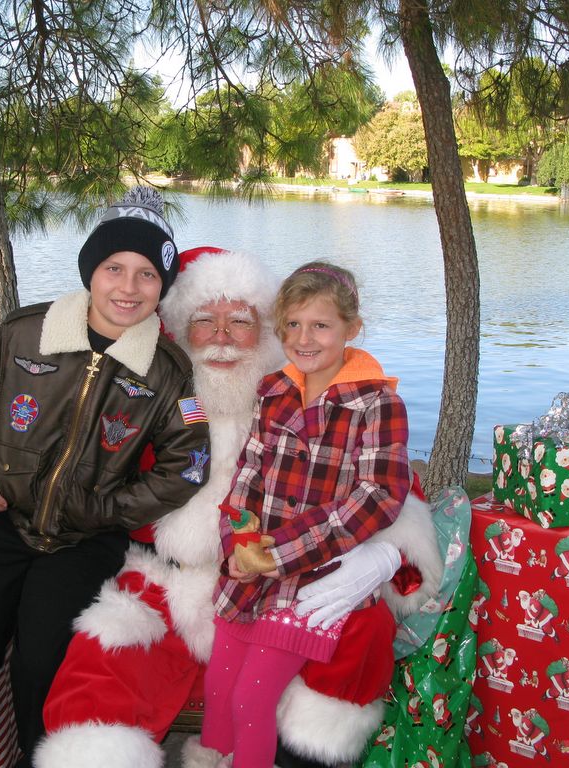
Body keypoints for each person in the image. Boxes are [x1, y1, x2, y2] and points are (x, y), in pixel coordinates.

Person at [34, 249, 442, 768]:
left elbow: (390, 491)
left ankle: (303, 754)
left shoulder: (303, 394)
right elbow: (64, 452)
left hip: (294, 573)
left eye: (240, 323)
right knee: (101, 662)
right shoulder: (147, 400)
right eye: (205, 321)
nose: (222, 337)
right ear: (180, 331)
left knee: (358, 635)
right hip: (172, 579)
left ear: (266, 334)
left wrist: (384, 558)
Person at [0, 187, 211, 768]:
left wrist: (110, 511)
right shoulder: (26, 332)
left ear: (163, 286)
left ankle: (35, 759)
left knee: (42, 658)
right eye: (114, 269)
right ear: (90, 271)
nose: (128, 287)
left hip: (83, 540)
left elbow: (187, 465)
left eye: (147, 274)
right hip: (3, 520)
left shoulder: (168, 373)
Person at [199, 261, 414, 768]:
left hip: (313, 581)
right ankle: (210, 759)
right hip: (250, 575)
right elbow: (246, 480)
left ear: (351, 329)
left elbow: (380, 493)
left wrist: (283, 553)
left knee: (252, 701)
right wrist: (236, 545)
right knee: (218, 688)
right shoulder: (273, 391)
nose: (305, 337)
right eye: (292, 324)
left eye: (321, 325)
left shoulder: (377, 402)